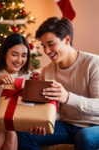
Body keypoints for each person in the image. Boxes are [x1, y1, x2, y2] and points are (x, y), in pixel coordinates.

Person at [17, 17, 99, 150]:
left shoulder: (93, 63)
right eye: (44, 46)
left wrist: (67, 97)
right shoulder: (47, 70)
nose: (47, 51)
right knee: (24, 133)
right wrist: (41, 122)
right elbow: (48, 106)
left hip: (95, 126)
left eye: (51, 44)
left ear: (67, 39)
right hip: (68, 125)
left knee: (84, 137)